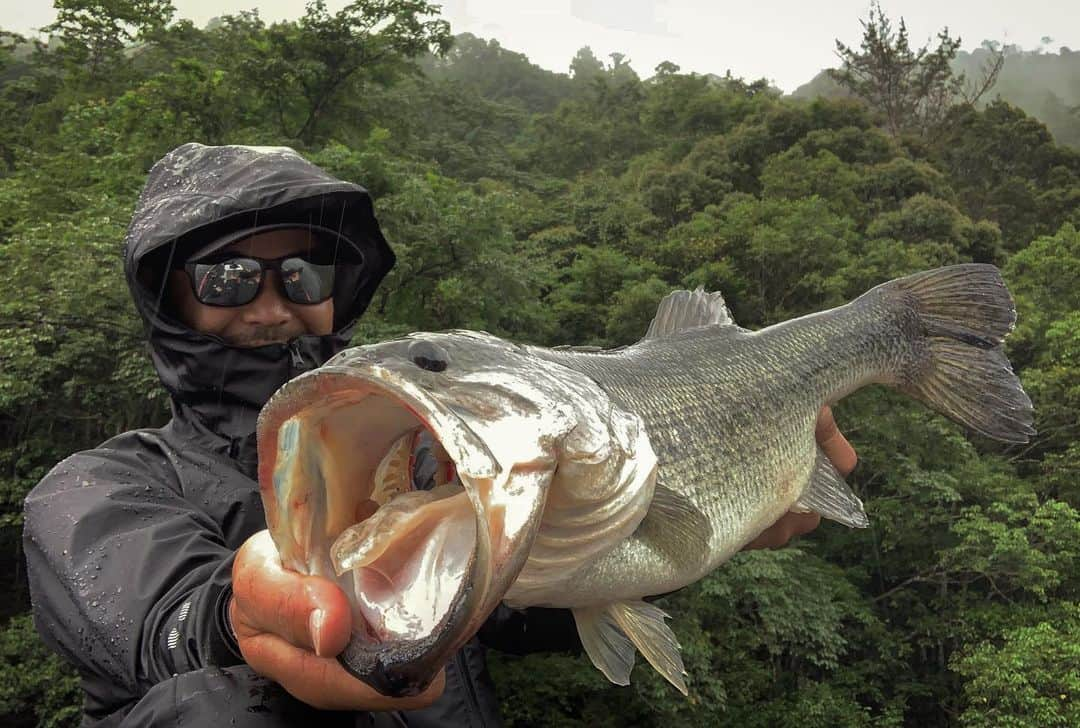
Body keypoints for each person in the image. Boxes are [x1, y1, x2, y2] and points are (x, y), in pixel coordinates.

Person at [22, 143, 856, 726]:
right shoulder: (95, 489)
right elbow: (165, 623)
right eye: (229, 275)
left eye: (305, 273)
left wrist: (705, 522)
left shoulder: (427, 459)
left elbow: (522, 611)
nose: (273, 305)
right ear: (170, 299)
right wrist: (245, 618)